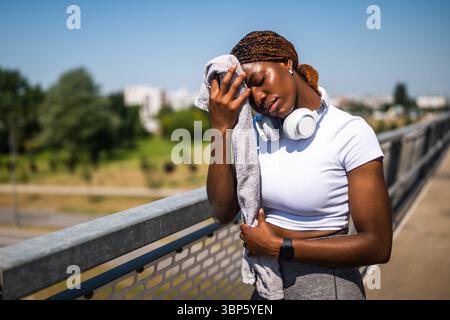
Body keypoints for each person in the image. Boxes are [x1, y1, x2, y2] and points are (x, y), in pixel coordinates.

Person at [206, 30, 392, 300]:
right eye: (250, 95)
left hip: (329, 285)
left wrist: (281, 247)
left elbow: (378, 246)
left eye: (259, 80)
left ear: (287, 64)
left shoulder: (350, 132)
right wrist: (221, 129)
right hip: (267, 284)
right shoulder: (254, 135)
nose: (257, 97)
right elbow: (221, 212)